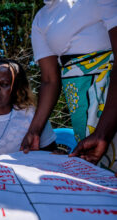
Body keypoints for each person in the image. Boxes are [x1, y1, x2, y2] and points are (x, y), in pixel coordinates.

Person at [23, 0, 117, 173]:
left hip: (111, 99)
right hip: (80, 103)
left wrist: (102, 132)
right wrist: (34, 131)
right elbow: (49, 80)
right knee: (99, 174)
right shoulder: (41, 19)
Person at [0, 59, 56, 157]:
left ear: (17, 89)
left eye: (4, 84)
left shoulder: (34, 117)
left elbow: (51, 155)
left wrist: (57, 154)